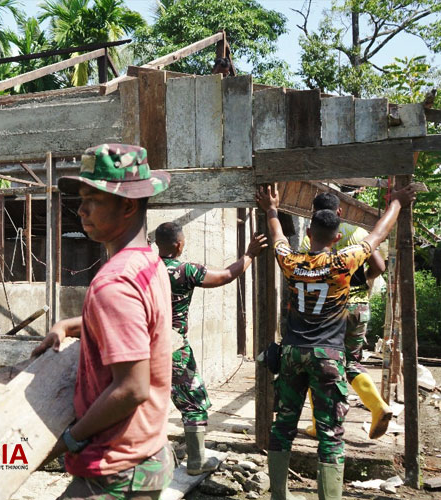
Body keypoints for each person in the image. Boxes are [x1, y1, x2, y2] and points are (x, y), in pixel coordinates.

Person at [256, 183, 416, 500]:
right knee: (330, 434)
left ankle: (278, 496)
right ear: (337, 237)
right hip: (328, 358)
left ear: (310, 232)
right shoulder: (342, 263)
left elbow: (278, 238)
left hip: (291, 354)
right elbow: (377, 237)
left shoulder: (292, 261)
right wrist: (396, 204)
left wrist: (271, 208)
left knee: (283, 427)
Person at [33, 144, 175, 500]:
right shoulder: (149, 265)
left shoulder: (113, 283)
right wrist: (67, 325)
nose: (80, 210)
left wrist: (71, 438)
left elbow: (132, 388)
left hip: (116, 470)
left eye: (92, 199)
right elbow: (131, 325)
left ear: (127, 205)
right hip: (147, 452)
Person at [154, 222, 267, 475]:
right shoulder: (186, 270)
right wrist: (249, 254)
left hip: (142, 348)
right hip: (173, 349)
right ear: (179, 245)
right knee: (194, 403)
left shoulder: (143, 270)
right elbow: (226, 275)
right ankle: (196, 461)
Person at [299, 192, 392, 440]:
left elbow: (306, 272)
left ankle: (320, 424)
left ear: (313, 215)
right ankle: (377, 406)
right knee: (350, 361)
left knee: (318, 361)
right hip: (359, 306)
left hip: (328, 309)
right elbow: (380, 267)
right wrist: (356, 281)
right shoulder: (357, 233)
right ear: (339, 212)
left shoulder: (311, 238)